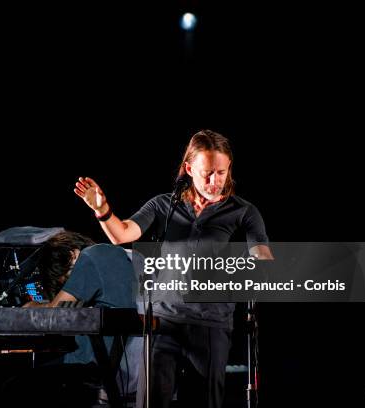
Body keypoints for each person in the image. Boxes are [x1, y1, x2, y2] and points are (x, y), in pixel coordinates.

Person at [74, 129, 273, 408]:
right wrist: (102, 210)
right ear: (189, 168)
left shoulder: (243, 212)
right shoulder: (164, 205)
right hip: (163, 322)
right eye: (207, 173)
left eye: (221, 172)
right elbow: (122, 234)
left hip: (210, 322)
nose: (215, 181)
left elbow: (261, 258)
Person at [9, 231, 141, 406]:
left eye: (66, 280)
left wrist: (29, 307)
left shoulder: (94, 255)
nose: (70, 286)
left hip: (102, 372)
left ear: (72, 254)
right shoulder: (134, 256)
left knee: (14, 386)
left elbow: (55, 314)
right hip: (142, 376)